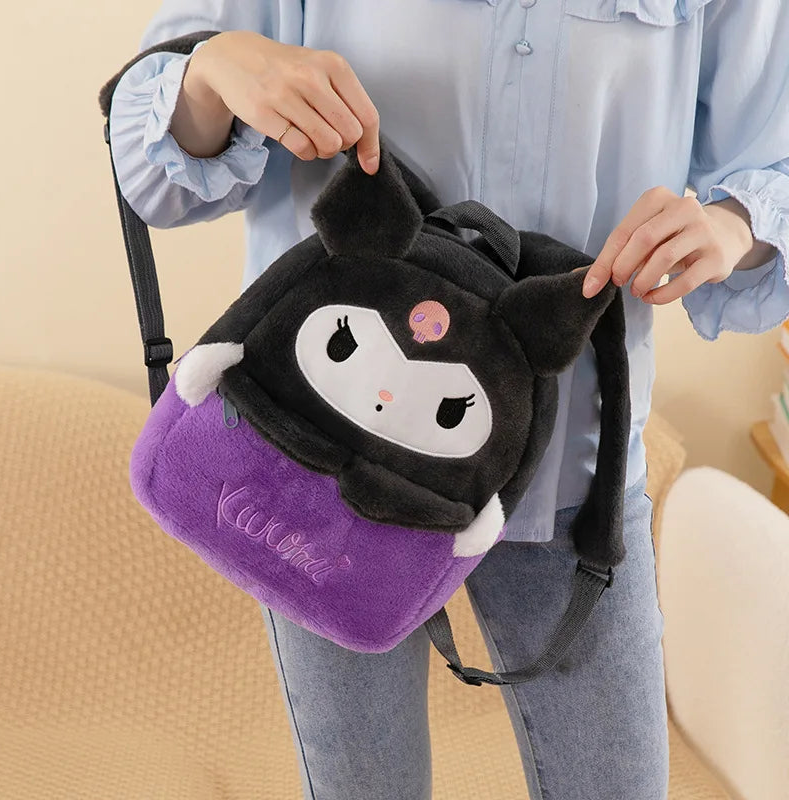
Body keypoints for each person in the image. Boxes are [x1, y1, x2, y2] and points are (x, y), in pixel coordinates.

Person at [108, 2, 789, 798]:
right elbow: (154, 169)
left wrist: (733, 227)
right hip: (318, 454)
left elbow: (772, 161)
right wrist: (215, 72)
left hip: (571, 472)